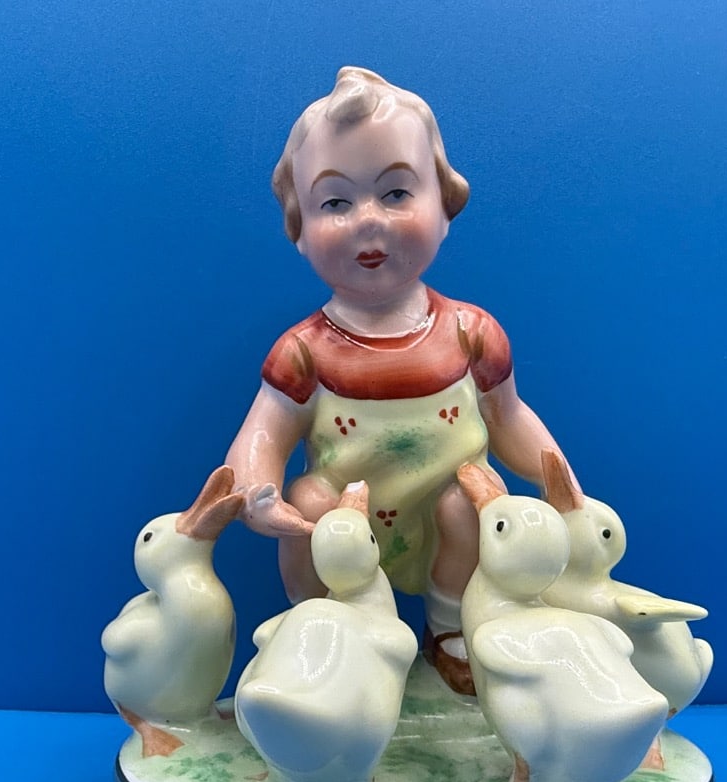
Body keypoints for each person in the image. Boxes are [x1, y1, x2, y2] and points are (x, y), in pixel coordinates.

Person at [226, 67, 579, 694]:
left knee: (472, 501)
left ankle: (451, 630)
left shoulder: (470, 333)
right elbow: (264, 434)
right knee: (311, 504)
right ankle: (323, 627)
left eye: (395, 193)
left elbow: (508, 416)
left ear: (444, 207)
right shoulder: (305, 351)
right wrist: (257, 490)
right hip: (348, 517)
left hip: (448, 518)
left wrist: (558, 478)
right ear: (300, 229)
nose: (369, 220)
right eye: (335, 202)